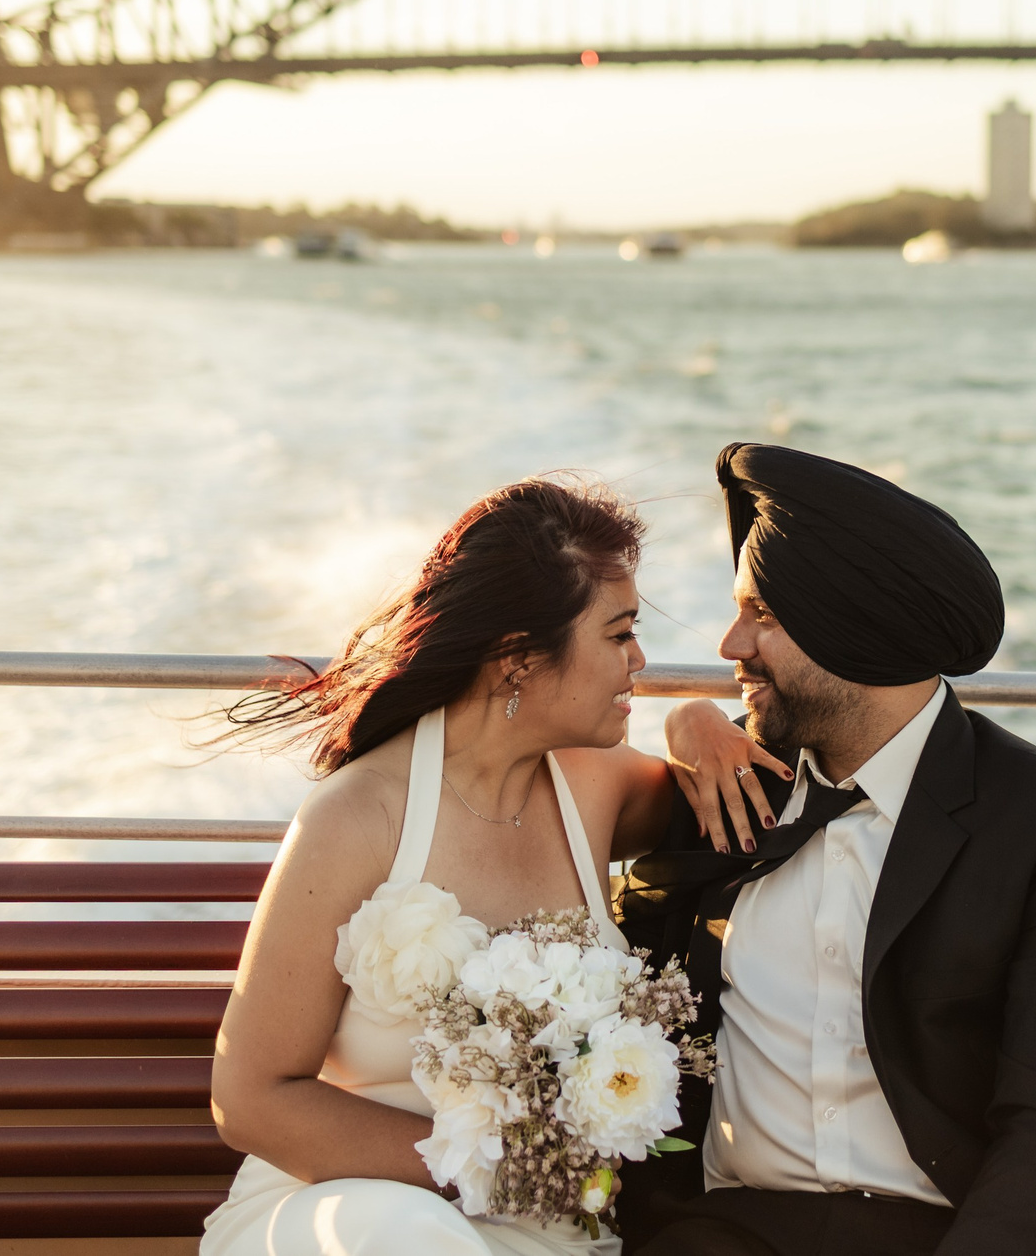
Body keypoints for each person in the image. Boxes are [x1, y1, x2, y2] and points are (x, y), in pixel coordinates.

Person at [622, 444, 1036, 1256]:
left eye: (761, 613)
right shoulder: (724, 786)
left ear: (853, 629)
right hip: (730, 1234)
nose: (731, 643)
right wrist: (683, 722)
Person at [202, 478, 685, 1256]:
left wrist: (698, 723)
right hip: (346, 1210)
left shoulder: (594, 785)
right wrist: (503, 1173)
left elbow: (701, 791)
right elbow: (252, 1099)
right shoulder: (361, 815)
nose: (640, 661)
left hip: (543, 1229)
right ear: (518, 659)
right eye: (618, 634)